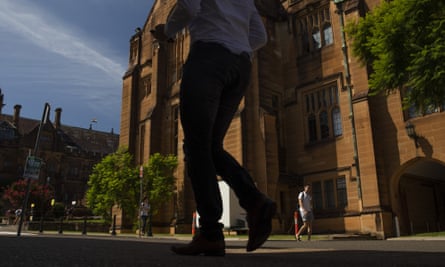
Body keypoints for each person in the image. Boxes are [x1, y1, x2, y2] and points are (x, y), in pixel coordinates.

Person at [151, 0, 276, 256]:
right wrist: (237, 45)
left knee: (196, 146)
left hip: (208, 57)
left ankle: (211, 232)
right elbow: (260, 36)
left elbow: (189, 7)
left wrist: (167, 32)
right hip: (240, 66)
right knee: (210, 146)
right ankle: (253, 201)